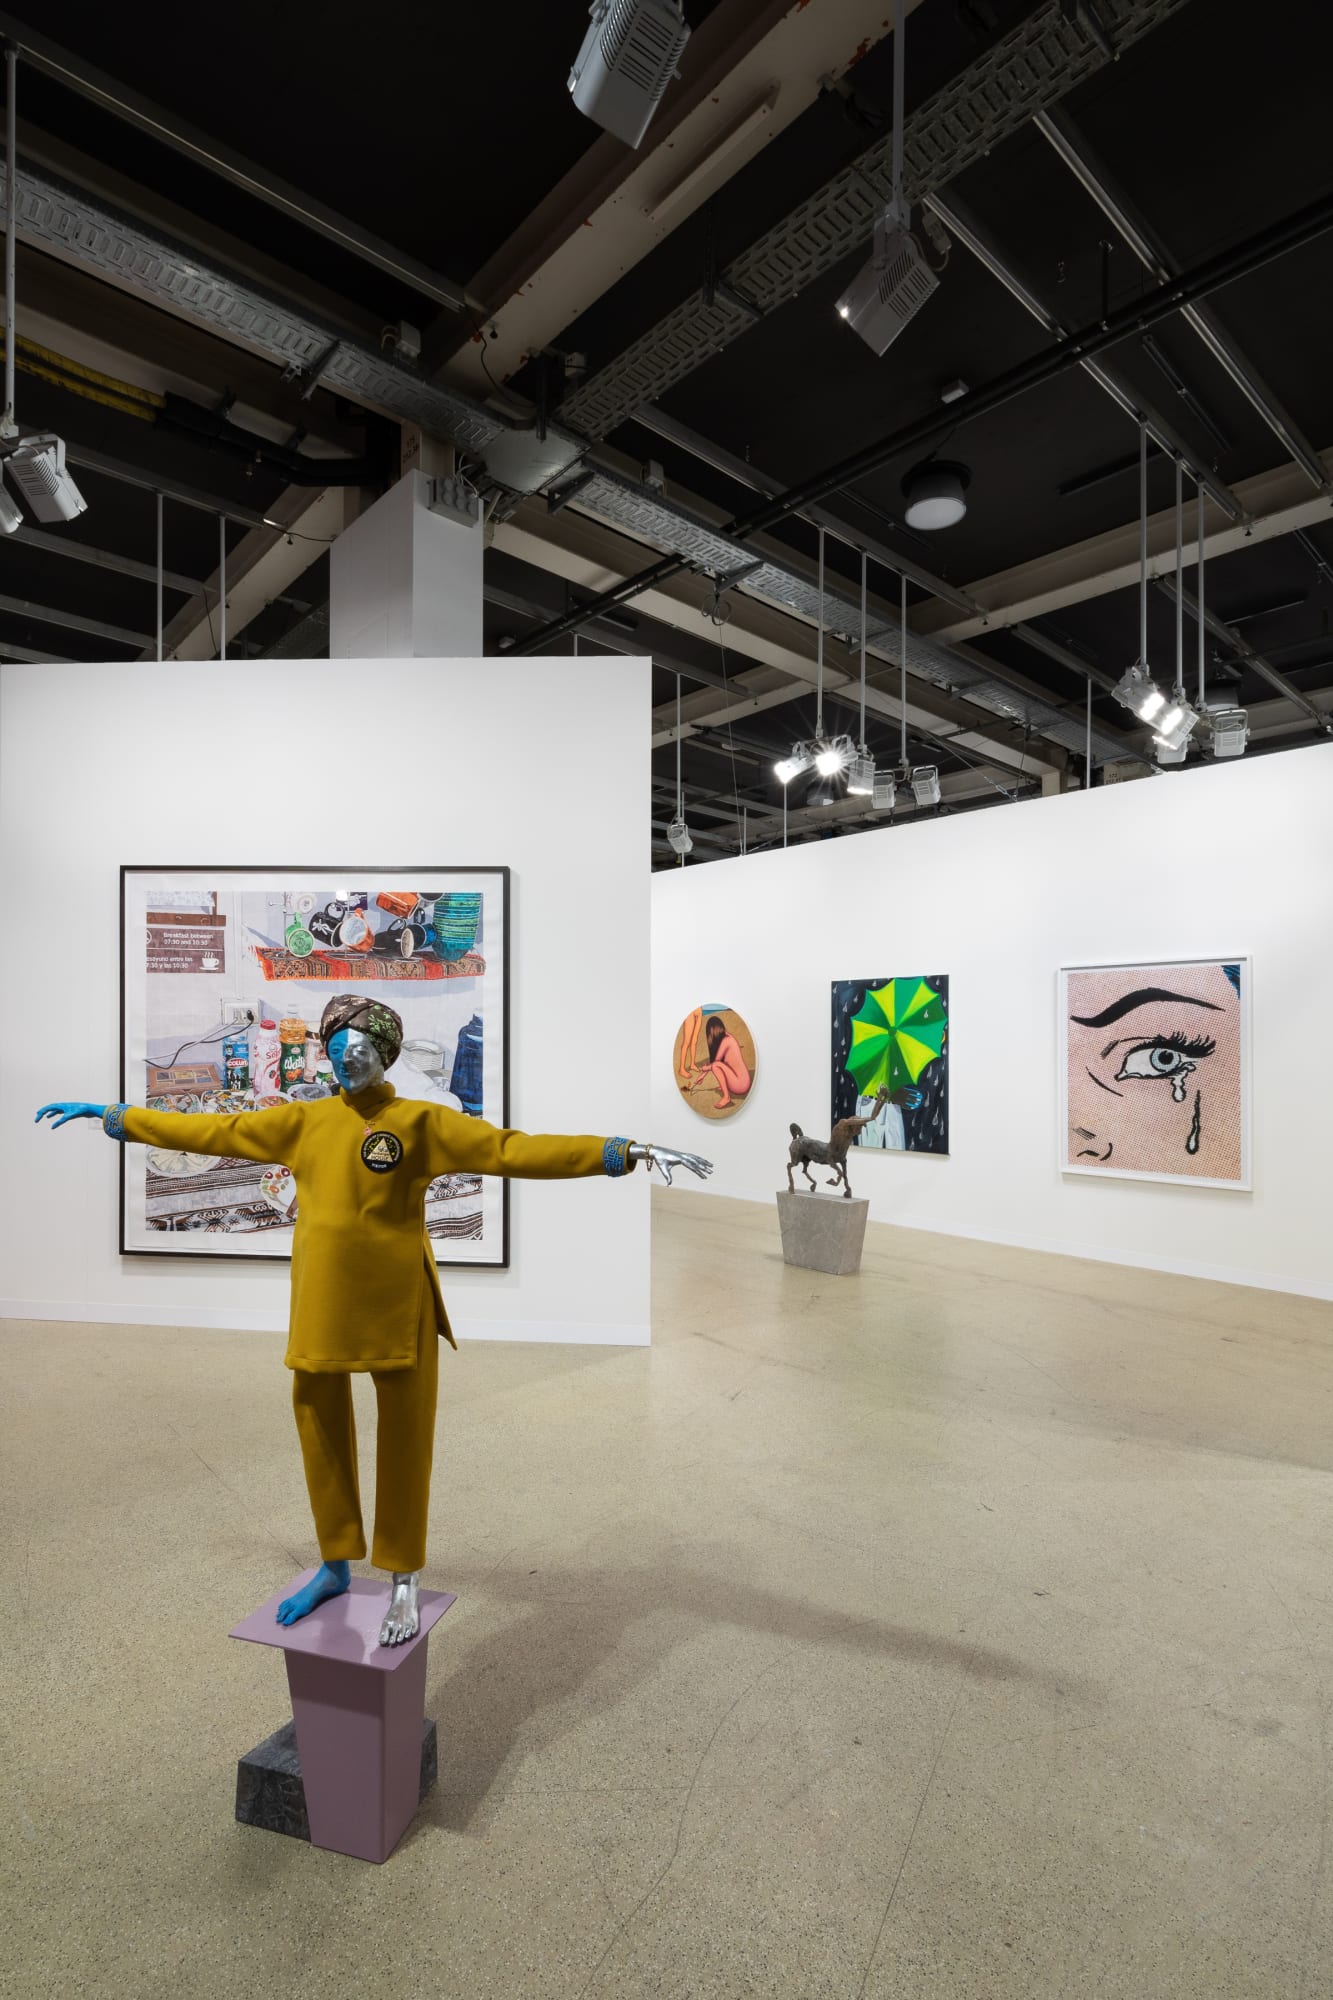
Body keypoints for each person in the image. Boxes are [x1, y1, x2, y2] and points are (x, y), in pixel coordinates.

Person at [36, 993, 711, 1646]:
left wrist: (623, 1152)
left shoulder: (422, 1121)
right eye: (338, 1048)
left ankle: (402, 1578)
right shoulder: (302, 1122)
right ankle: (334, 1564)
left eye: (361, 1048)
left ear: (385, 1053)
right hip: (323, 1301)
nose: (349, 1059)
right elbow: (215, 1131)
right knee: (317, 1422)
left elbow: (512, 1149)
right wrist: (115, 1115)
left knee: (405, 1441)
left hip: (400, 1306)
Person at [688, 1013, 753, 1111]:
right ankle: (726, 1089)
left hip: (741, 1085)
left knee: (715, 1066)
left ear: (713, 1030)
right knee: (716, 1065)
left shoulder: (726, 1041)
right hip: (742, 1081)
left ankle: (727, 1097)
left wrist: (704, 1070)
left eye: (709, 1033)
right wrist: (702, 1076)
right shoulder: (727, 1037)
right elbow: (715, 1061)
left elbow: (715, 1063)